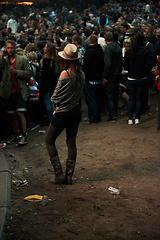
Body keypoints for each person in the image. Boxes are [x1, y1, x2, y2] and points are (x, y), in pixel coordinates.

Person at [45, 43, 85, 185]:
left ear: (65, 59)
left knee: (49, 140)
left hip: (62, 113)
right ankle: (69, 177)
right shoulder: (81, 74)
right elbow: (79, 94)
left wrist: (56, 105)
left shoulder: (65, 74)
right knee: (71, 142)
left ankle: (59, 175)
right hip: (75, 111)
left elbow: (55, 96)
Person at [1, 40, 33, 145]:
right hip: (9, 91)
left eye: (12, 48)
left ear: (15, 48)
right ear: (6, 49)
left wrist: (16, 72)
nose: (10, 50)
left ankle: (24, 134)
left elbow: (29, 73)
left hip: (20, 90)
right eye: (8, 48)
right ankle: (15, 134)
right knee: (12, 114)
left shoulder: (22, 60)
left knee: (20, 112)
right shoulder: (4, 60)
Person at [123, 33, 154, 125]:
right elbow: (150, 63)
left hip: (131, 78)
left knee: (132, 99)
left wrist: (130, 70)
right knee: (139, 99)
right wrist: (145, 71)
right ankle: (137, 118)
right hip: (142, 78)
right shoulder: (145, 51)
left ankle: (130, 118)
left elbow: (125, 65)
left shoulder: (129, 52)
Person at [83, 34, 104, 124]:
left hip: (90, 79)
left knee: (91, 100)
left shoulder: (89, 52)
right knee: (98, 99)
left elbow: (86, 66)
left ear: (89, 41)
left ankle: (93, 118)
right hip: (99, 78)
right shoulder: (101, 51)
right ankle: (97, 116)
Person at [103, 31, 122, 122]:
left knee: (109, 95)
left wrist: (105, 75)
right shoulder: (118, 46)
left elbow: (108, 63)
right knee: (115, 94)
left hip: (110, 75)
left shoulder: (107, 48)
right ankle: (115, 112)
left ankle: (112, 115)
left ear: (105, 39)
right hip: (118, 73)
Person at [40, 42, 58, 125]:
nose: (44, 48)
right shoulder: (54, 60)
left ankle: (49, 118)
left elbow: (43, 74)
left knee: (47, 101)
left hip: (46, 83)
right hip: (52, 83)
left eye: (45, 47)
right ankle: (53, 117)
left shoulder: (45, 60)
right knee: (51, 102)